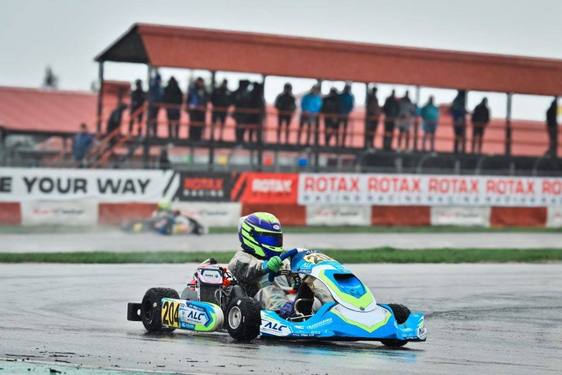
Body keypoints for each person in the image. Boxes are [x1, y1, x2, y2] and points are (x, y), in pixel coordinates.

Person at [228, 212, 294, 315]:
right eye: (268, 238)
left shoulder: (283, 260)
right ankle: (282, 312)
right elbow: (248, 270)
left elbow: (293, 281)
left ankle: (324, 309)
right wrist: (265, 266)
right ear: (250, 236)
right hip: (254, 302)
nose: (273, 243)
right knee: (269, 290)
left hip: (288, 298)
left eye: (275, 239)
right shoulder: (241, 258)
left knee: (310, 287)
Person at [147, 72, 163, 138]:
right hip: (153, 105)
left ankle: (153, 133)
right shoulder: (155, 87)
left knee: (153, 119)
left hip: (155, 105)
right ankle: (151, 133)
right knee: (151, 119)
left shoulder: (157, 87)